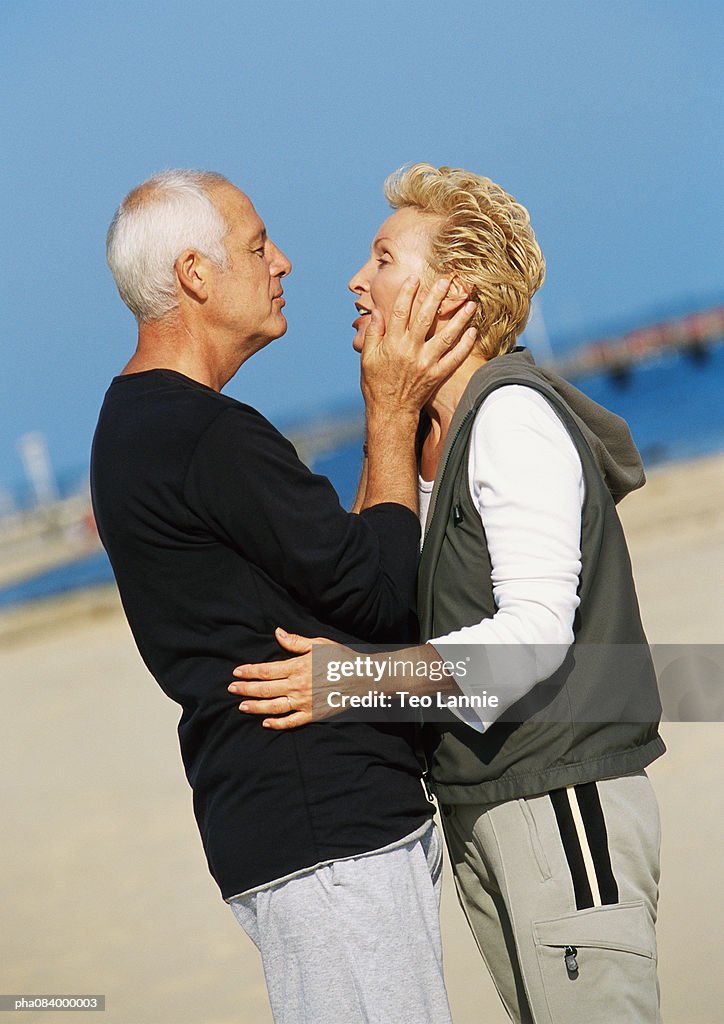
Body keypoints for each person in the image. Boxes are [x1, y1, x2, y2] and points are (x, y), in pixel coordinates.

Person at [232, 164, 666, 1023]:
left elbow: (534, 637)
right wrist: (385, 413)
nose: (357, 280)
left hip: (559, 800)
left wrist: (348, 682)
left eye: (384, 259)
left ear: (454, 294)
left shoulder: (509, 418)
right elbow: (363, 589)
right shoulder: (431, 432)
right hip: (484, 807)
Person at [91, 169, 477, 1024]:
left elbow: (320, 577)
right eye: (259, 246)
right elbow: (382, 596)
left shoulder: (132, 429)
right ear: (195, 275)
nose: (286, 263)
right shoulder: (201, 432)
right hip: (328, 838)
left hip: (284, 827)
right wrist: (391, 410)